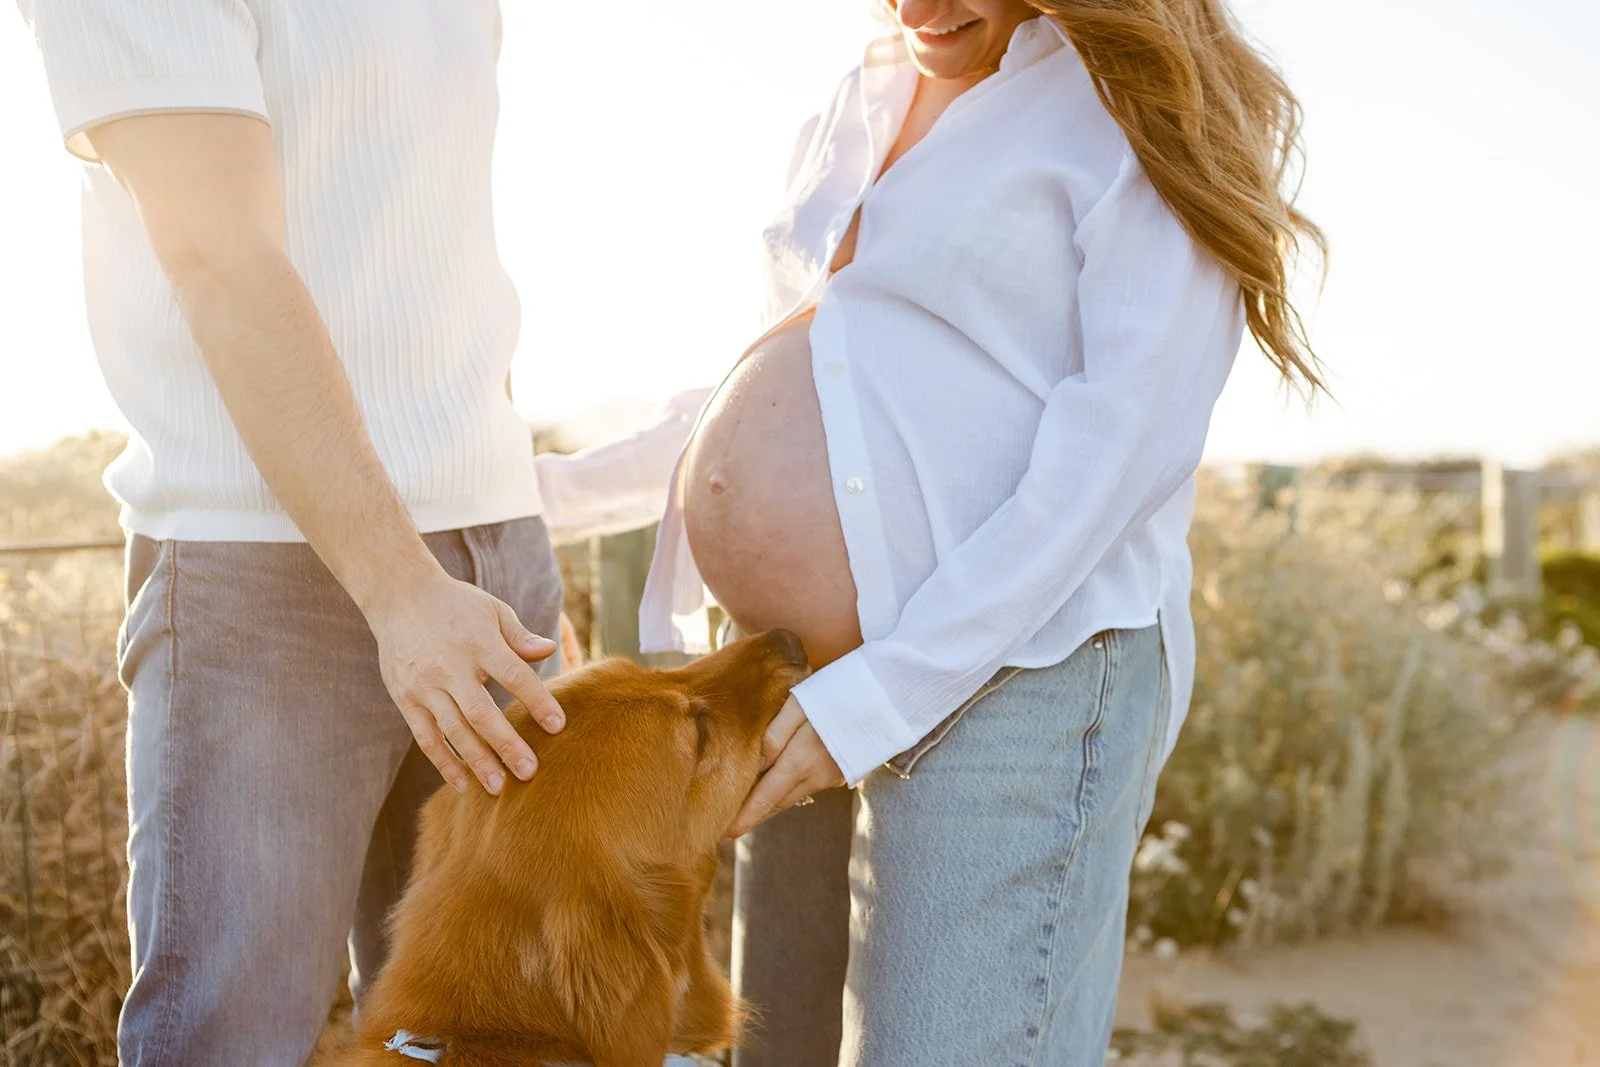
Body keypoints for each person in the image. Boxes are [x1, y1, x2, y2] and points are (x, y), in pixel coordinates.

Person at [544, 0, 1324, 1063]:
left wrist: (880, 697)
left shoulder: (1137, 104)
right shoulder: (861, 95)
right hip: (791, 675)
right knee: (781, 1048)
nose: (913, 6)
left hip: (1009, 672)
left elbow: (1121, 450)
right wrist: (529, 495)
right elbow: (806, 371)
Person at [18, 2, 571, 1063]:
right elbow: (216, 252)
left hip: (492, 560)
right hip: (263, 577)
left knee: (503, 1037)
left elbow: (435, 248)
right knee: (231, 1040)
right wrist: (403, 590)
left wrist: (502, 529)